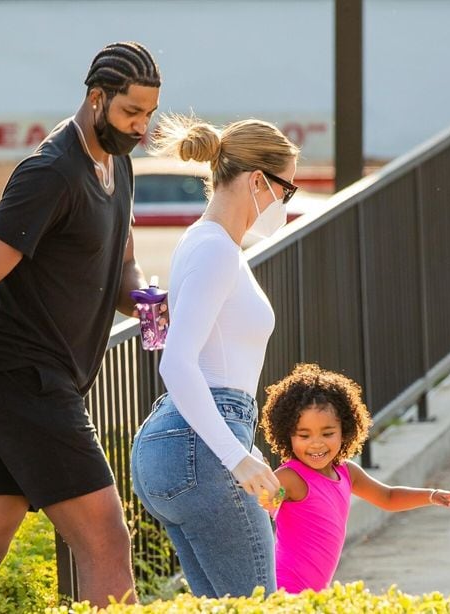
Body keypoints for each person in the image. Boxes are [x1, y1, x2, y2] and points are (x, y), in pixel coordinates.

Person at [0, 42, 162, 611]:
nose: (141, 127)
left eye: (148, 114)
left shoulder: (117, 164)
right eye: (130, 113)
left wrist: (152, 303)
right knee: (106, 540)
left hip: (31, 382)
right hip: (22, 379)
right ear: (97, 99)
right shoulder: (50, 173)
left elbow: (121, 266)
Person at [130, 114, 300, 598]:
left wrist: (239, 449)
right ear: (257, 181)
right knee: (258, 605)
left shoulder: (203, 242)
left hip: (186, 442)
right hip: (201, 446)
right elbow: (177, 363)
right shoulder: (216, 249)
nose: (284, 204)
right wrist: (236, 457)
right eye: (285, 191)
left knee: (222, 606)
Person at [260, 363, 450, 594]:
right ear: (287, 435)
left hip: (315, 591)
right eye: (304, 435)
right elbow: (270, 498)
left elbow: (388, 497)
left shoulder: (347, 472)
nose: (316, 443)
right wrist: (269, 495)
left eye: (328, 433)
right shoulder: (291, 477)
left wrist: (431, 495)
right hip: (285, 587)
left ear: (345, 430)